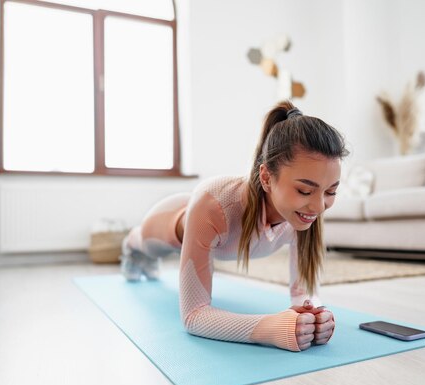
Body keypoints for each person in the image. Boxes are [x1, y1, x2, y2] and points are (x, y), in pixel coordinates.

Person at [120, 101, 350, 352]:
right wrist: (271, 328)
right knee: (142, 244)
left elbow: (303, 295)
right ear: (266, 177)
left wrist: (314, 315)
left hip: (205, 218)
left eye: (331, 191)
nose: (318, 206)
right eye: (304, 190)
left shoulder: (304, 212)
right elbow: (194, 316)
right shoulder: (214, 204)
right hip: (172, 221)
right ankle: (130, 248)